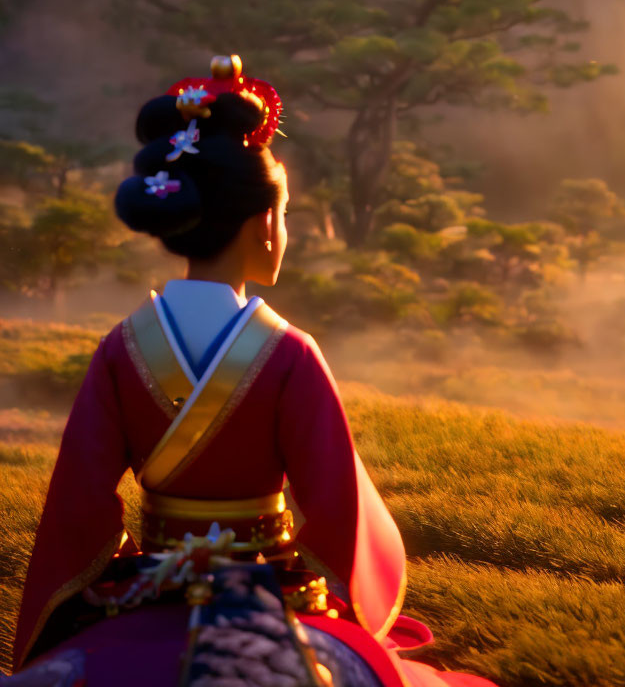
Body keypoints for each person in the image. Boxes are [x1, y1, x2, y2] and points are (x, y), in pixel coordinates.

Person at [10, 55, 496, 687]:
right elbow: (339, 513)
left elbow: (78, 507)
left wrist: (137, 570)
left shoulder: (120, 349)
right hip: (270, 587)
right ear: (266, 223)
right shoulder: (290, 352)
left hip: (152, 589)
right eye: (286, 214)